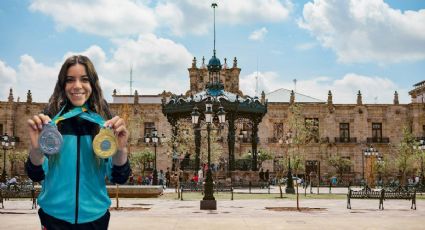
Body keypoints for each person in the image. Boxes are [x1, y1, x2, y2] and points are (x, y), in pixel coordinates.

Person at [25, 55, 131, 229]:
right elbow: (36, 174)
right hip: (54, 219)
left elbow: (119, 176)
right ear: (62, 85)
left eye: (84, 79)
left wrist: (121, 150)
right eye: (70, 80)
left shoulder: (104, 121)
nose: (77, 86)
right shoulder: (50, 120)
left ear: (93, 84)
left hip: (95, 219)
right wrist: (36, 149)